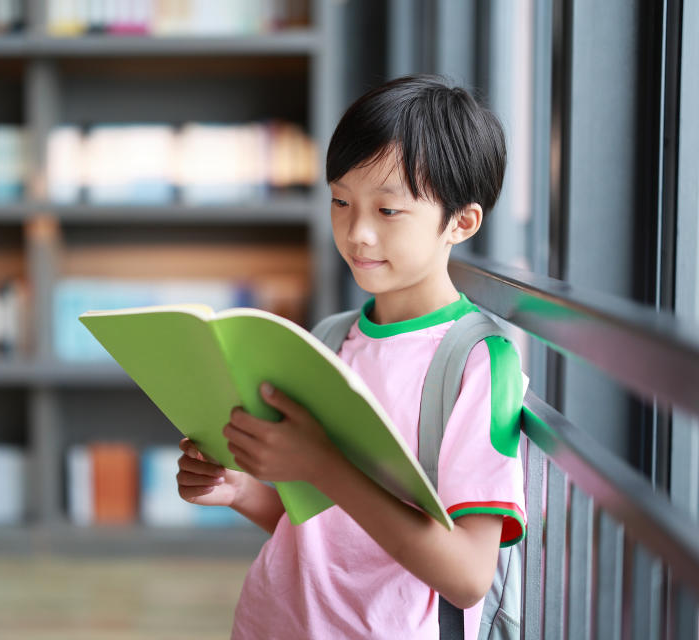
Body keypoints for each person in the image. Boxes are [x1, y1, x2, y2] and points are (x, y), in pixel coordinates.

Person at [176, 74, 526, 639]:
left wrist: (322, 465)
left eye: (388, 211)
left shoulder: (477, 362)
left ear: (461, 221)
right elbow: (316, 529)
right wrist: (238, 488)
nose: (357, 233)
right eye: (341, 201)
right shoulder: (329, 339)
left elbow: (467, 577)